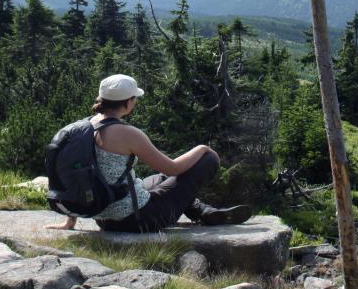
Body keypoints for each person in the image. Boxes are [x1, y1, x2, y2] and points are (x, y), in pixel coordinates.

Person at [47, 73, 252, 233]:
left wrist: (70, 220)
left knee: (160, 178)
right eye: (134, 99)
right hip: (140, 219)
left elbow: (77, 173)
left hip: (103, 217)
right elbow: (172, 167)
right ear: (128, 103)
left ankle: (204, 211)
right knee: (204, 161)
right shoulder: (128, 133)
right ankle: (204, 211)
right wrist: (202, 148)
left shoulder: (84, 127)